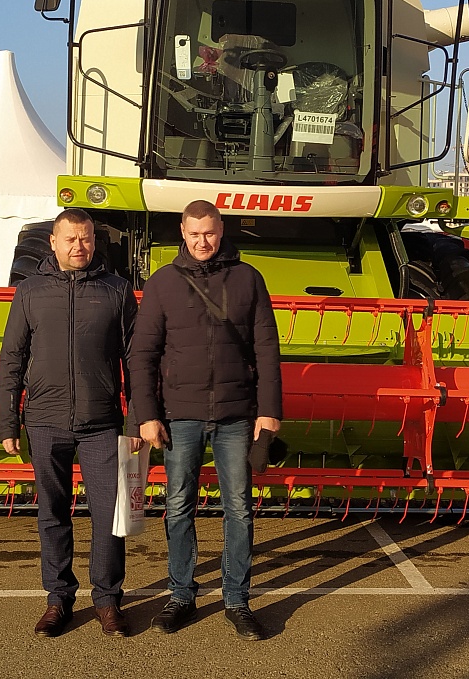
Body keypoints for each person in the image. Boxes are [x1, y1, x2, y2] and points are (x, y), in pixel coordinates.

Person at [129, 199, 282, 641]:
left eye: (209, 233)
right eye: (194, 233)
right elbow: (142, 355)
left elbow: (266, 350)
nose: (202, 241)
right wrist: (146, 415)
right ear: (182, 231)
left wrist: (269, 411)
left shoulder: (248, 278)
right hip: (180, 415)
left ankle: (237, 599)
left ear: (221, 230)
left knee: (239, 508)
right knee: (179, 505)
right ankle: (181, 595)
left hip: (236, 413)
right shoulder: (163, 283)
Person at [0, 208, 139, 639]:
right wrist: (8, 421)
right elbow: (12, 358)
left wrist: (136, 421)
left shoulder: (116, 290)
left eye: (87, 238)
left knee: (109, 515)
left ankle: (107, 600)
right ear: (54, 243)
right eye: (71, 239)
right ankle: (58, 599)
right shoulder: (30, 292)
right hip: (45, 421)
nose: (80, 246)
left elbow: (135, 361)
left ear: (95, 241)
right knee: (52, 513)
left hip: (102, 423)